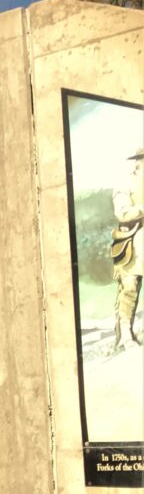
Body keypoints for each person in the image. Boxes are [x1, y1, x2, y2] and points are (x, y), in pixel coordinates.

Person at [110, 146, 144, 352]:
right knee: (130, 289)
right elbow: (122, 213)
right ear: (138, 162)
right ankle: (125, 335)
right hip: (134, 244)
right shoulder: (125, 183)